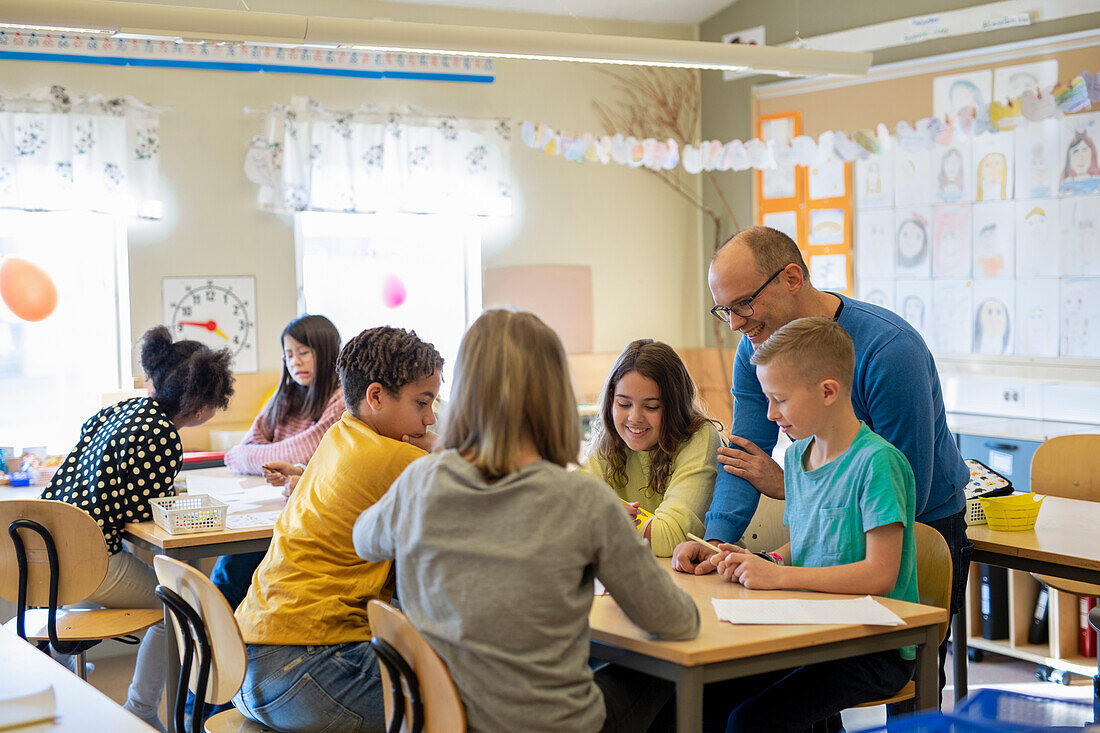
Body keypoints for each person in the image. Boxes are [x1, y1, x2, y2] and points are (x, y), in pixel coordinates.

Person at [354, 309, 699, 733]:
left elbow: (364, 540)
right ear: (553, 395)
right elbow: (676, 621)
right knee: (660, 674)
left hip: (441, 721)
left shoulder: (421, 482)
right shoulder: (583, 501)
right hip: (551, 725)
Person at [675, 226, 969, 697]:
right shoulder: (758, 351)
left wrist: (797, 489)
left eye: (743, 304)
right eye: (724, 309)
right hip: (837, 530)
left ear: (792, 278)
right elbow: (743, 455)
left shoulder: (889, 352)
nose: (734, 324)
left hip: (921, 525)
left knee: (906, 682)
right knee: (799, 677)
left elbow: (903, 486)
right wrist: (717, 543)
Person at [702, 316, 917, 732]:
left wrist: (778, 578)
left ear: (828, 392)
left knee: (752, 720)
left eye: (779, 399)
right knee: (711, 697)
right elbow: (808, 547)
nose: (769, 413)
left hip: (873, 646)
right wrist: (759, 561)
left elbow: (880, 575)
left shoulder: (877, 464)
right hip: (814, 630)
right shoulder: (796, 463)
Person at [232, 326, 443, 733]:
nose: (430, 417)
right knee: (462, 707)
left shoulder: (341, 434)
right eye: (422, 402)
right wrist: (441, 444)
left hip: (248, 663)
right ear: (377, 396)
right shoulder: (397, 459)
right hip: (307, 669)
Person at [41, 325, 234, 732]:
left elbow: (116, 489)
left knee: (158, 589)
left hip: (47, 552)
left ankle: (59, 659)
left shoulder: (123, 410)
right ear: (200, 407)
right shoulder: (163, 434)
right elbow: (148, 509)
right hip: (86, 560)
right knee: (181, 607)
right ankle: (141, 709)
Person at [214, 314, 343, 611]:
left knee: (232, 570)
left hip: (305, 521)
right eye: (288, 355)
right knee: (229, 566)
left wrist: (269, 457)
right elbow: (237, 453)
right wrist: (271, 458)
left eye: (303, 353)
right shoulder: (285, 394)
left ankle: (214, 639)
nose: (295, 362)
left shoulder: (341, 399)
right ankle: (213, 639)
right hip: (266, 511)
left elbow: (307, 449)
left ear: (326, 352)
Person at [579, 339, 721, 557]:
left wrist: (603, 515)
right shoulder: (609, 438)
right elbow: (564, 507)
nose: (634, 418)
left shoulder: (700, 437)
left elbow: (670, 538)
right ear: (610, 400)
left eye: (652, 406)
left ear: (675, 407)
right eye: (624, 404)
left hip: (708, 579)